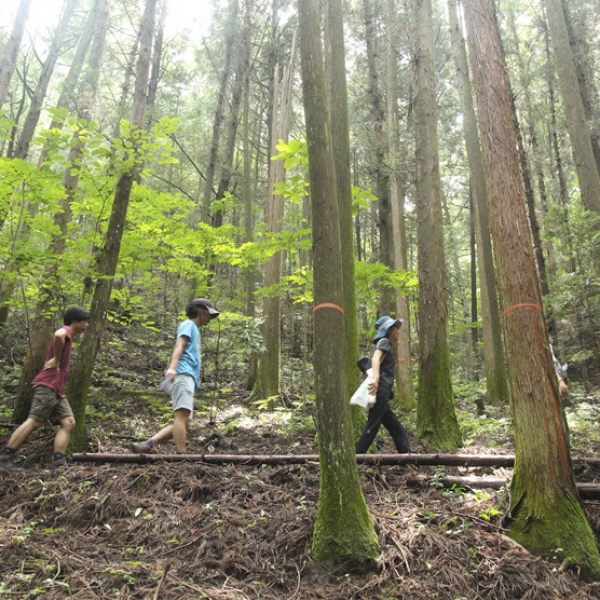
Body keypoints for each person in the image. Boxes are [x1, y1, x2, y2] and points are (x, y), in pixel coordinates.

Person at [0, 306, 91, 472]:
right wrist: (56, 359)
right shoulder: (66, 330)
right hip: (48, 384)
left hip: (57, 389)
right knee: (34, 421)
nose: (86, 325)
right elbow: (58, 336)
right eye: (84, 321)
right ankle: (6, 457)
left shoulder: (70, 333)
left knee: (68, 422)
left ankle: (58, 462)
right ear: (75, 321)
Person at [131, 297, 219, 455]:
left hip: (187, 377)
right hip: (183, 374)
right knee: (182, 416)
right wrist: (172, 368)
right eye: (208, 314)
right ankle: (181, 453)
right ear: (199, 312)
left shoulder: (194, 329)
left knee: (184, 423)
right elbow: (180, 345)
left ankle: (149, 444)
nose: (210, 318)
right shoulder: (188, 325)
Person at [356, 316, 411, 454]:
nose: (398, 332)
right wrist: (376, 378)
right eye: (396, 329)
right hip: (380, 391)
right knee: (372, 427)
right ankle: (356, 458)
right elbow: (375, 359)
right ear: (390, 330)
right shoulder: (384, 341)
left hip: (381, 393)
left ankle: (407, 458)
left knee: (395, 427)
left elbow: (365, 371)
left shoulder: (380, 345)